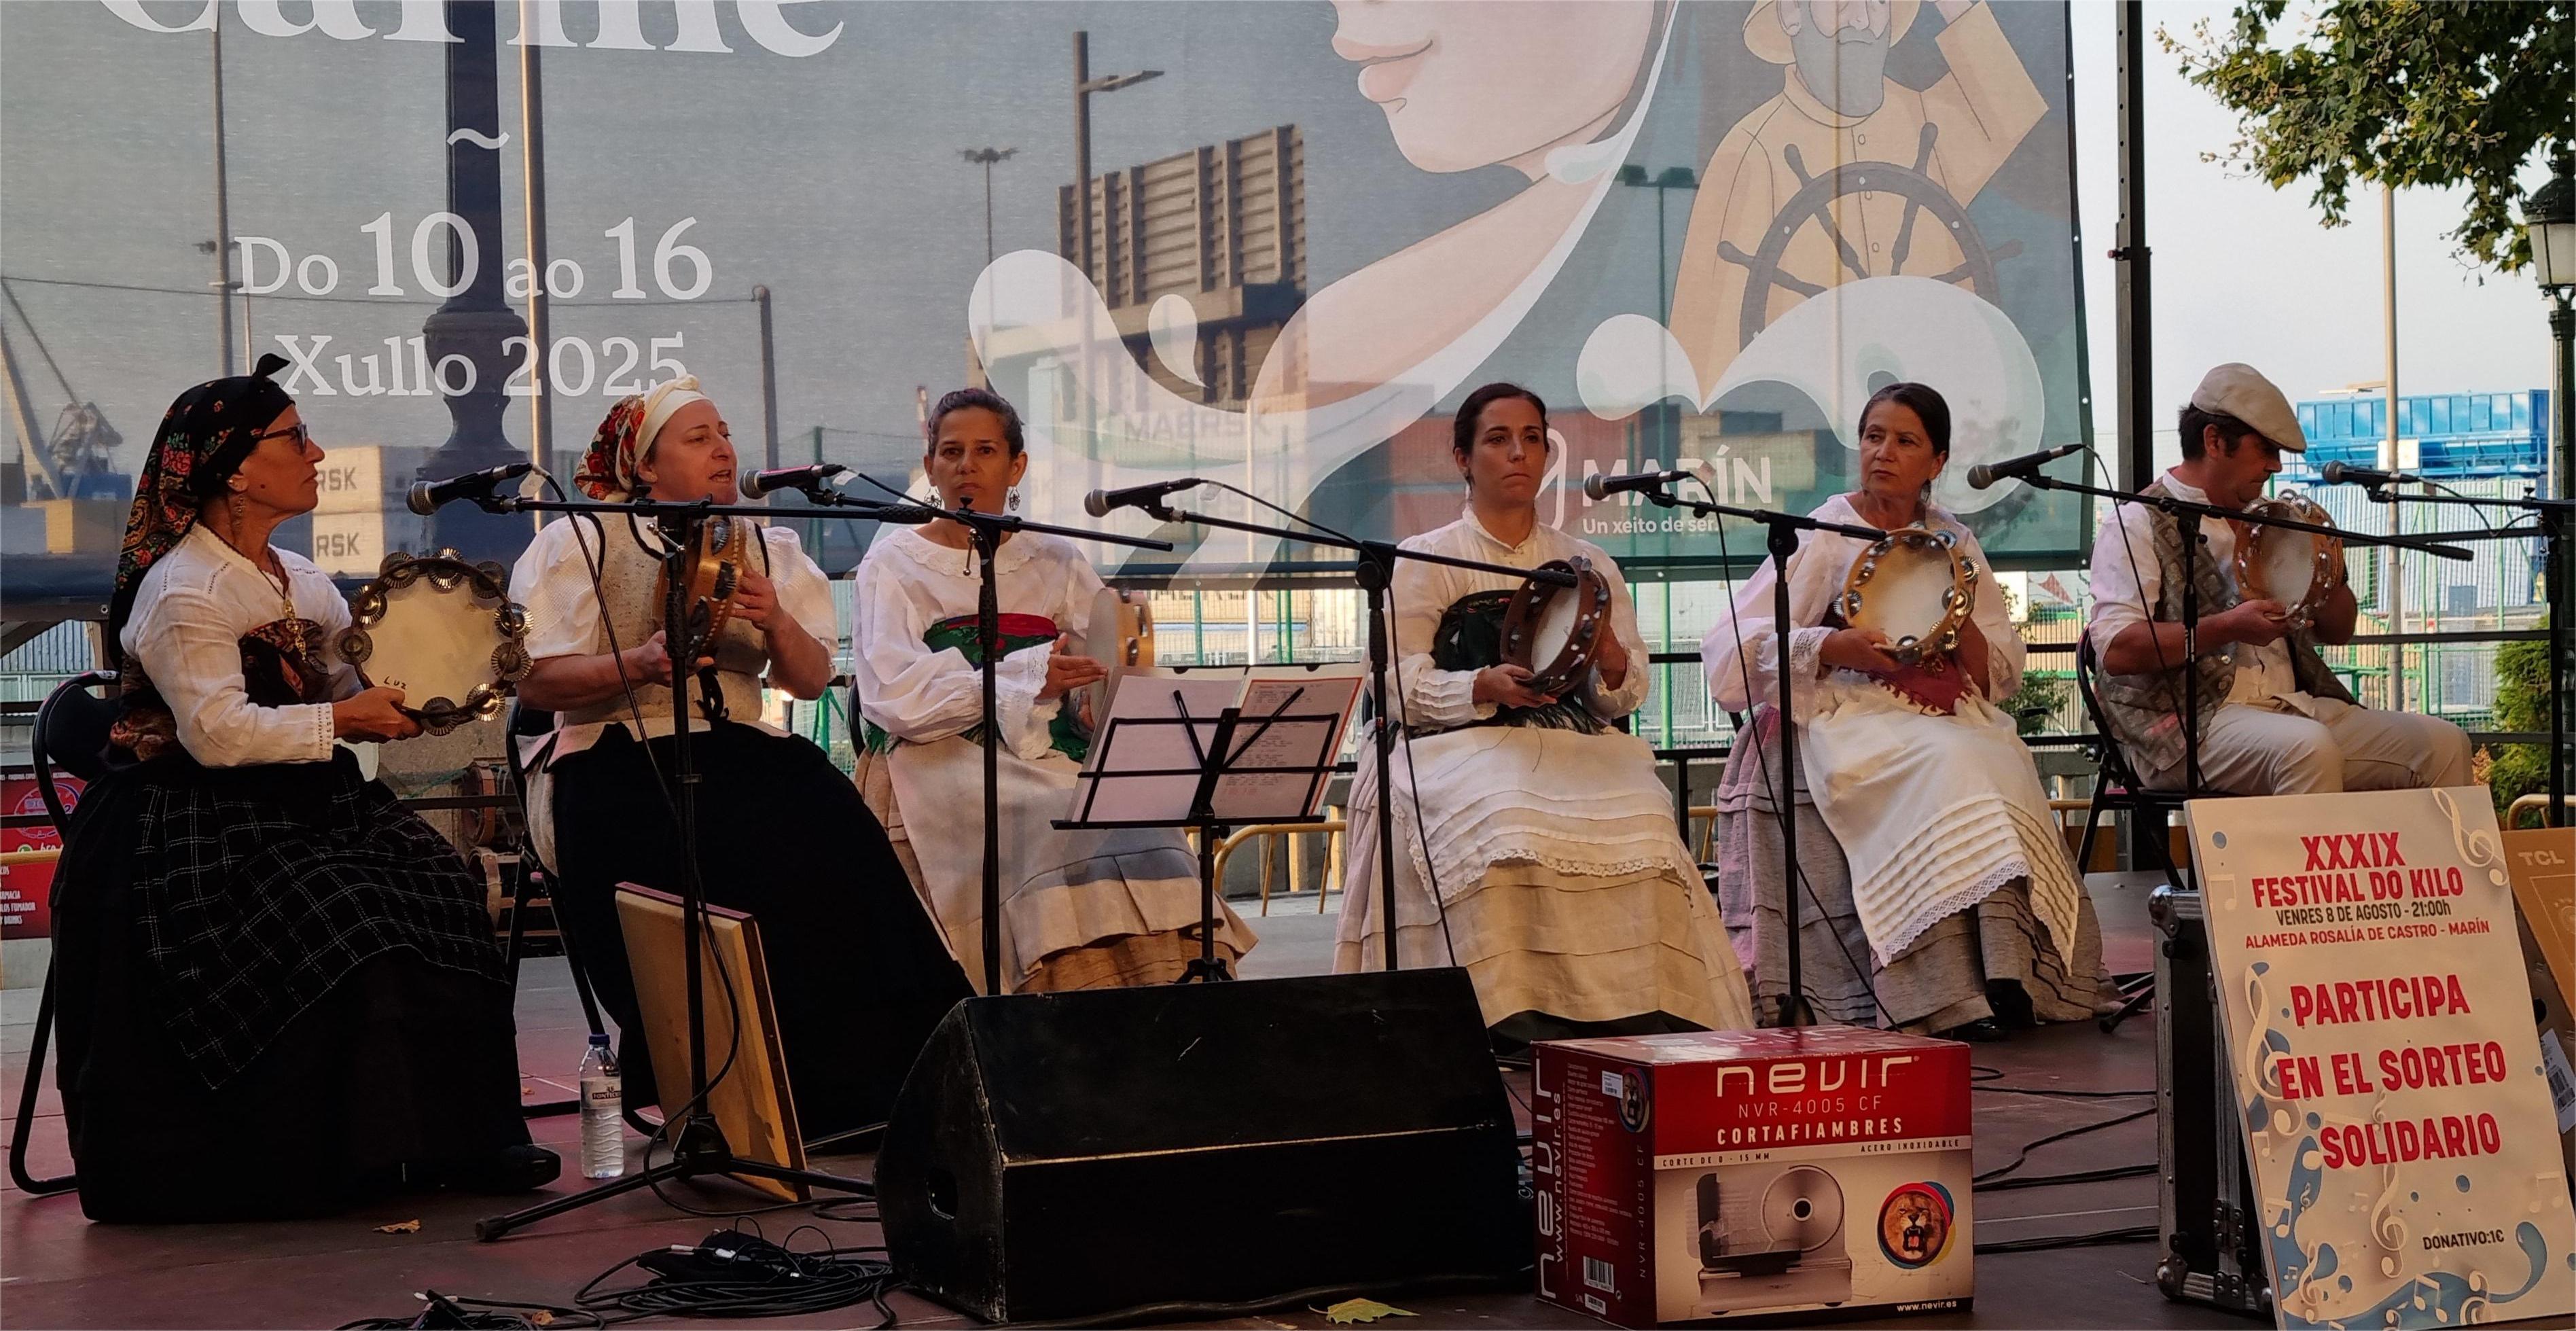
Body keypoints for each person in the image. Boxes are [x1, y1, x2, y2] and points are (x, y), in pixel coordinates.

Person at [50, 355, 553, 1222]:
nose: (316, 453)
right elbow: (217, 734)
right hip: (193, 821)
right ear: (236, 471)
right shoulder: (183, 591)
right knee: (341, 908)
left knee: (439, 881)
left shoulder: (301, 579)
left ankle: (462, 1137)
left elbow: (340, 687)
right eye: (295, 438)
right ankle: (332, 1152)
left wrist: (421, 694)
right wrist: (346, 719)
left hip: (306, 800)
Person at [512, 378, 969, 1139]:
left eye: (724, 432)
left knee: (836, 832)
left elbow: (810, 679)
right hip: (615, 752)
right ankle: (723, 1092)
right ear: (645, 466)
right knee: (689, 840)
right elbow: (534, 679)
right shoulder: (584, 539)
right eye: (698, 438)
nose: (723, 449)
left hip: (740, 746)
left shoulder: (762, 543)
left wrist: (778, 621)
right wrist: (638, 664)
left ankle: (882, 1084)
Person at [1330, 381, 1755, 1045]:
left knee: (1646, 819)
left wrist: (1606, 650)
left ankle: (1638, 1010)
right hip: (1456, 743)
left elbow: (1624, 694)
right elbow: (1392, 684)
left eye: (1532, 438)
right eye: (1498, 439)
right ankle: (1508, 1015)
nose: (1518, 453)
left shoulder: (1590, 564)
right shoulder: (1424, 560)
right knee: (1507, 812)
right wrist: (1482, 686)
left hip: (1569, 740)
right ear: (1463, 458)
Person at [1704, 381, 2109, 1035]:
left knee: (1996, 760)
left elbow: (1996, 671)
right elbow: (1733, 643)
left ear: (1937, 461)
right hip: (1850, 709)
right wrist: (1829, 644)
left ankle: (2007, 975)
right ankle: (1946, 995)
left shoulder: (1953, 538)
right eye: (1874, 436)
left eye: (1904, 440)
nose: (1883, 452)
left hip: (1942, 709)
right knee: (1951, 763)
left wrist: (1952, 602)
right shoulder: (1825, 533)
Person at [851, 387, 1255, 992]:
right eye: (951, 452)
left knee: (1144, 825)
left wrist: (1097, 692)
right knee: (1053, 816)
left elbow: (1107, 663)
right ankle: (1054, 991)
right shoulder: (894, 564)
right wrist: (1024, 677)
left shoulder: (1055, 557)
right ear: (931, 466)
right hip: (944, 755)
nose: (967, 465)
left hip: (1049, 750)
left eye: (986, 450)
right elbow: (895, 696)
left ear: (1017, 466)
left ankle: (1169, 1000)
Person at [2084, 363, 2472, 795]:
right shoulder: (2136, 521)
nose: (2275, 465)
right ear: (2215, 441)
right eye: (2266, 449)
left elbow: (2339, 631)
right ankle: (2304, 845)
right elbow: (2117, 650)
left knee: (2443, 746)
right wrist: (2229, 627)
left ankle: (2421, 848)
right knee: (2306, 748)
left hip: (2293, 708)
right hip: (2185, 728)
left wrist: (2325, 566)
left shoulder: (2277, 519)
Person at [1671, 0, 2043, 395]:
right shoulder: (1750, 154)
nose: (1862, 19)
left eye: (1879, 1)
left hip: (1936, 419)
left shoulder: (1923, 120)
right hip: (1806, 422)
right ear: (1791, 14)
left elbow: (2013, 108)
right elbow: (1708, 362)